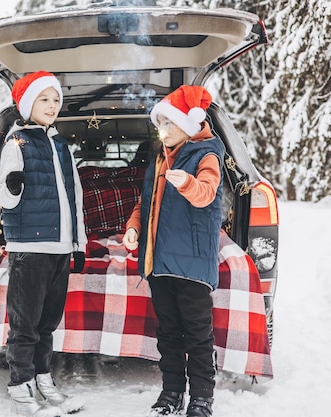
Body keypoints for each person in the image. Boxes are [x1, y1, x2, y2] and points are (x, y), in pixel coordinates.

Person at [122, 85, 224, 417]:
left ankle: (202, 397)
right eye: (159, 126)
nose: (162, 132)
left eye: (168, 124)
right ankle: (172, 392)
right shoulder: (160, 157)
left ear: (189, 123)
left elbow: (206, 193)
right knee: (168, 332)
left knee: (197, 333)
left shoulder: (207, 154)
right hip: (160, 261)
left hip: (192, 264)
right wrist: (134, 227)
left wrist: (188, 184)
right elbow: (145, 202)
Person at [0, 71, 87, 417]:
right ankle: (21, 387)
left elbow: (74, 196)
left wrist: (79, 243)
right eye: (44, 99)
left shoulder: (61, 146)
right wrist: (14, 185)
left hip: (61, 248)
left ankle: (43, 380)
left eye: (56, 99)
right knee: (25, 323)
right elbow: (3, 194)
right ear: (29, 103)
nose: (52, 105)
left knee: (48, 322)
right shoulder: (17, 144)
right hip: (30, 248)